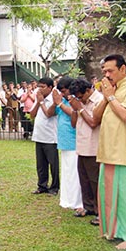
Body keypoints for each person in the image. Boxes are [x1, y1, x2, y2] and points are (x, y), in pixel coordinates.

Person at [93, 54, 126, 249]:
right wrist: (107, 97)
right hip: (108, 149)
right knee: (108, 193)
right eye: (104, 71)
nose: (106, 75)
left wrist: (110, 96)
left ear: (123, 69)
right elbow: (95, 117)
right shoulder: (112, 89)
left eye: (110, 71)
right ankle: (114, 230)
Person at [68, 78, 103, 225]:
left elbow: (94, 122)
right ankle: (88, 206)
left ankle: (99, 212)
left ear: (88, 90)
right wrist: (76, 108)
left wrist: (80, 107)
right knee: (85, 180)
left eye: (81, 96)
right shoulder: (79, 102)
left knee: (96, 181)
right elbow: (74, 124)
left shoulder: (99, 100)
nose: (79, 99)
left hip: (94, 147)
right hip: (81, 146)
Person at [52, 77, 82, 210]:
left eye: (64, 91)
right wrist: (55, 102)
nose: (63, 94)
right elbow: (50, 113)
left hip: (74, 141)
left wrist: (60, 103)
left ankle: (76, 201)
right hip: (64, 142)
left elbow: (73, 113)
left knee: (75, 173)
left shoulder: (76, 99)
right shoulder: (63, 100)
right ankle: (67, 199)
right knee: (67, 173)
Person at [30, 77, 59, 195]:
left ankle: (55, 187)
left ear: (50, 87)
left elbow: (49, 114)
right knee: (41, 164)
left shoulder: (54, 99)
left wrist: (41, 102)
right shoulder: (39, 99)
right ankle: (42, 185)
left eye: (43, 87)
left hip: (50, 137)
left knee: (53, 164)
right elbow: (32, 114)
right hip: (39, 135)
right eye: (39, 86)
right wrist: (38, 102)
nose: (40, 89)